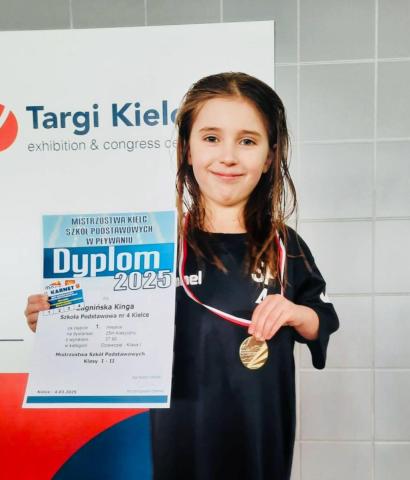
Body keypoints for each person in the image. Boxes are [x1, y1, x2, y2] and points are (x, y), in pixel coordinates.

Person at [25, 72, 339, 480]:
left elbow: (322, 318)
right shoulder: (156, 247)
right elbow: (104, 302)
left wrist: (296, 313)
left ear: (268, 156)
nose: (228, 156)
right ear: (187, 149)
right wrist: (57, 315)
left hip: (260, 438)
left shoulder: (285, 246)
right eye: (211, 138)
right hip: (182, 436)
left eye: (247, 141)